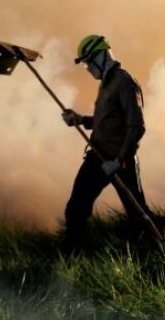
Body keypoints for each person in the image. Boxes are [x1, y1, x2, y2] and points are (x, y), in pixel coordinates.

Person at [60, 34, 156, 249]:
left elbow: (137, 126)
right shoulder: (106, 83)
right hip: (97, 157)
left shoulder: (125, 83)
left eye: (87, 62)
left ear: (101, 56)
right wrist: (79, 119)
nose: (87, 68)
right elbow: (107, 120)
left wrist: (120, 160)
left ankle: (157, 247)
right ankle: (73, 254)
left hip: (120, 161)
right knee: (76, 208)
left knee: (138, 213)